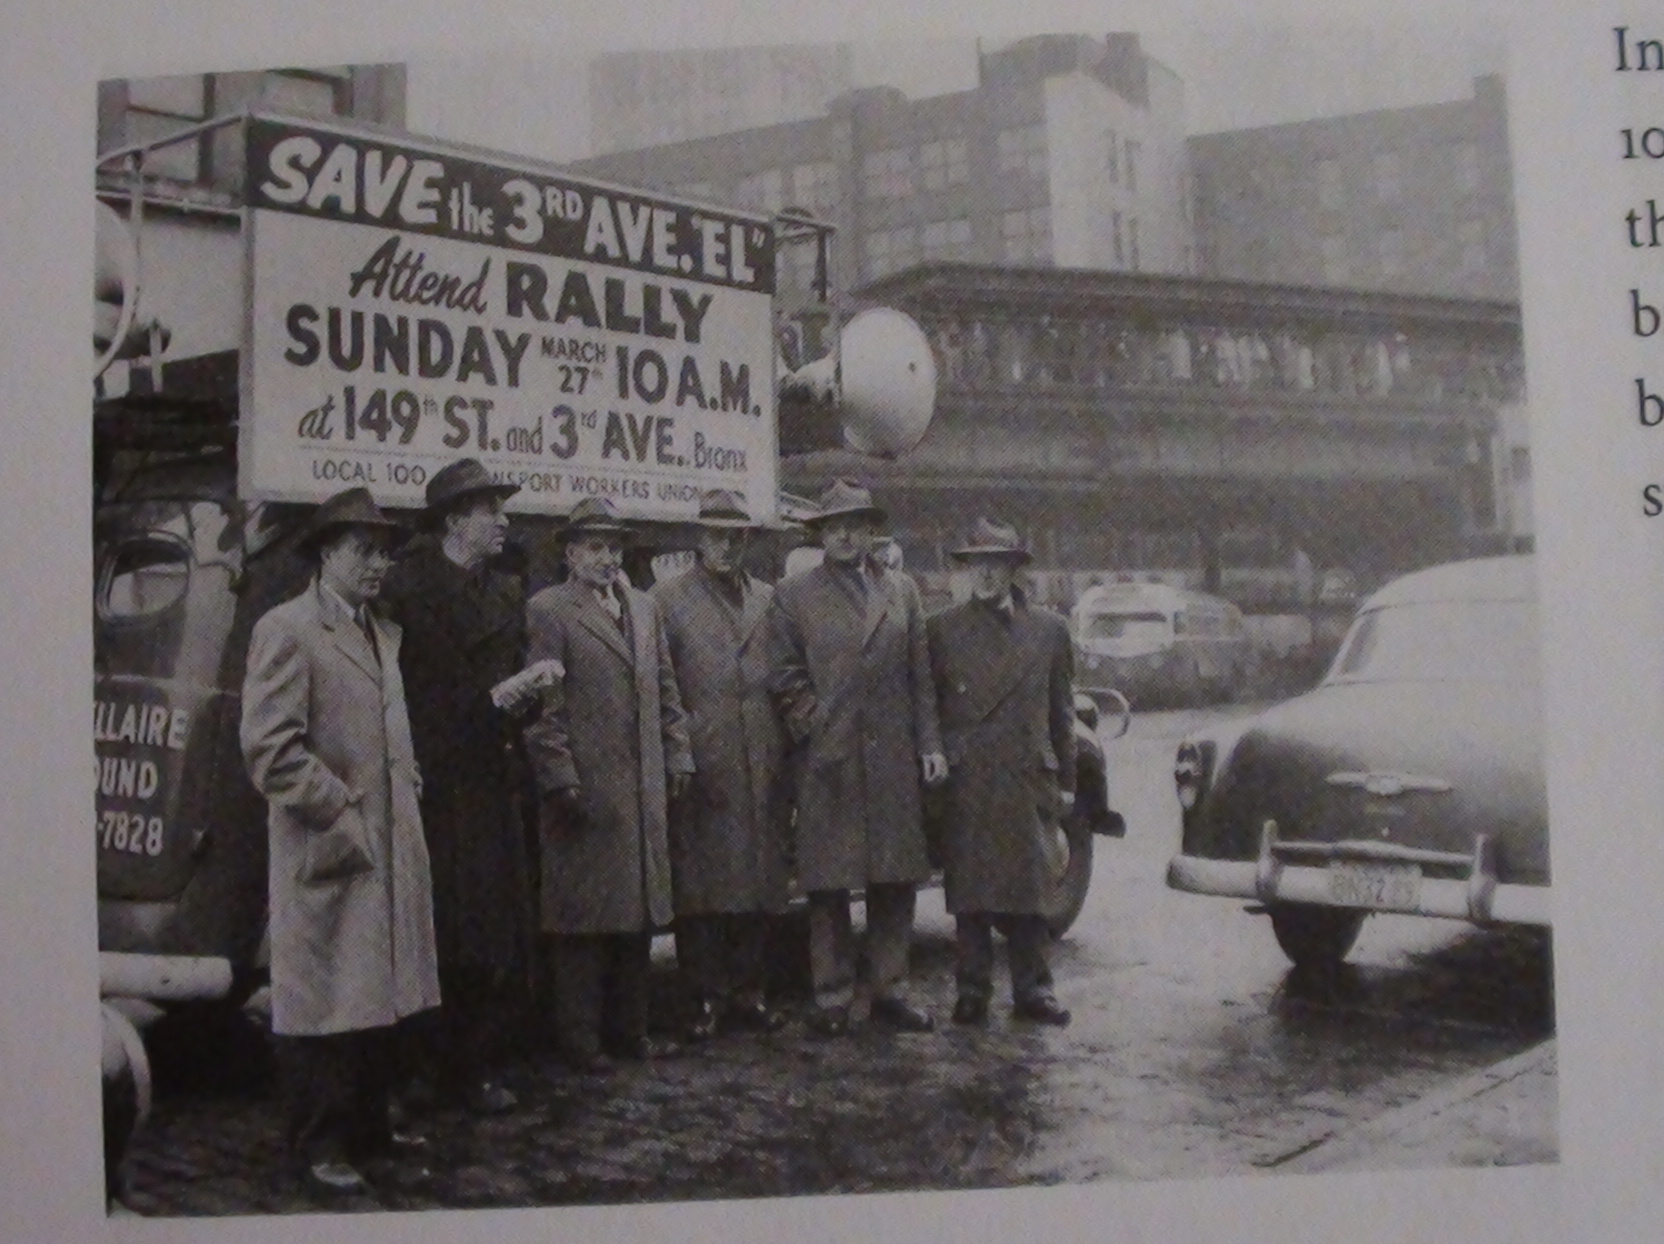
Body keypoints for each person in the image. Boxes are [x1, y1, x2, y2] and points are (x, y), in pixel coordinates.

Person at [239, 487, 440, 1195]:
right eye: (363, 551)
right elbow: (270, 750)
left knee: (376, 994)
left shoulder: (380, 632)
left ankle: (368, 1131)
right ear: (326, 554)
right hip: (329, 845)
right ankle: (317, 1144)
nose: (377, 565)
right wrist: (338, 806)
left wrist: (405, 783)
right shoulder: (288, 629)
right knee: (324, 999)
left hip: (387, 844)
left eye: (384, 553)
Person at [379, 459, 536, 1116]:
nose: (504, 520)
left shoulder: (506, 592)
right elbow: (394, 691)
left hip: (491, 781)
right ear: (453, 520)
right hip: (432, 783)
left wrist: (527, 698)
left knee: (489, 929)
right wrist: (478, 705)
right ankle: (418, 1068)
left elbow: (515, 674)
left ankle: (475, 1066)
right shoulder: (404, 591)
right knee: (430, 926)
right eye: (490, 509)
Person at [767, 479, 947, 1037]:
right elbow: (784, 675)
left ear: (872, 532)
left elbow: (920, 675)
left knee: (895, 879)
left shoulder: (902, 590)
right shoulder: (794, 594)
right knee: (829, 885)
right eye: (834, 526)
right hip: (831, 758)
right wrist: (816, 725)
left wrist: (929, 745)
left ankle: (890, 990)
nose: (845, 535)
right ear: (820, 534)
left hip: (892, 756)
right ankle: (833, 996)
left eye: (856, 525)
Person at [523, 496, 694, 1072]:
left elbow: (666, 690)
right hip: (586, 791)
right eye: (594, 546)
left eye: (615, 546)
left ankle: (631, 1030)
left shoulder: (644, 608)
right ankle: (580, 1039)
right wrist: (560, 780)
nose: (607, 557)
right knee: (583, 920)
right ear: (570, 554)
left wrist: (677, 756)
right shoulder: (549, 610)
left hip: (640, 789)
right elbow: (544, 708)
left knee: (636, 915)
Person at [926, 517, 1076, 1028]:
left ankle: (1034, 990)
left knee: (1029, 889)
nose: (986, 573)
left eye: (996, 563)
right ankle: (972, 990)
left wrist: (1068, 782)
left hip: (1025, 775)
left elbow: (1061, 713)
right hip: (970, 775)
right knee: (970, 890)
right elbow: (928, 706)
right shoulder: (942, 630)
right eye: (977, 564)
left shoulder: (1050, 630)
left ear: (1014, 569)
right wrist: (938, 753)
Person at [652, 489, 791, 1041]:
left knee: (758, 880)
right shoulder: (667, 600)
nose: (726, 546)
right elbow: (660, 688)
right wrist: (678, 751)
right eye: (716, 535)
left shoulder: (769, 599)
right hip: (703, 761)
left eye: (736, 537)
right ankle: (704, 996)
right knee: (702, 888)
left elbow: (784, 673)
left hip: (761, 755)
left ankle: (749, 992)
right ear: (698, 539)